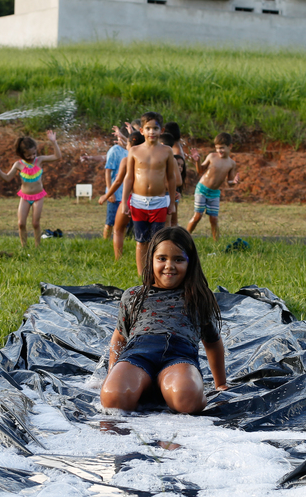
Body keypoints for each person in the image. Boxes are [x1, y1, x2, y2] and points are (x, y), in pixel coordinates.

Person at [100, 226, 228, 414]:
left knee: (187, 400)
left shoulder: (199, 298)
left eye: (178, 259)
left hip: (179, 357)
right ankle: (145, 386)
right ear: (150, 259)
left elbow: (213, 342)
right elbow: (119, 337)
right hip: (138, 355)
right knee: (112, 397)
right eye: (162, 258)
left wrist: (221, 384)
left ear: (190, 263)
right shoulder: (133, 296)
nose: (169, 265)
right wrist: (112, 373)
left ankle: (162, 388)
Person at [121, 112, 180, 273]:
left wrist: (172, 204)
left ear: (162, 130)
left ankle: (155, 273)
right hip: (138, 202)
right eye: (148, 128)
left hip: (159, 202)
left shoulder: (167, 151)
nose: (151, 132)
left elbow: (171, 178)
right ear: (141, 130)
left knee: (158, 241)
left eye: (155, 128)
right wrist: (124, 202)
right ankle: (142, 276)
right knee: (141, 241)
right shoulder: (134, 151)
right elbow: (129, 177)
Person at [0, 130, 62, 248]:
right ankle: (24, 247)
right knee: (21, 223)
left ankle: (37, 247)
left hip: (38, 197)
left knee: (35, 223)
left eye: (34, 153)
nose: (32, 157)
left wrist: (54, 142)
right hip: (25, 197)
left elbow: (57, 156)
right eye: (28, 155)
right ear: (21, 154)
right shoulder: (18, 164)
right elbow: (7, 178)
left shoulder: (39, 160)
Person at [186, 132, 240, 241]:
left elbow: (230, 182)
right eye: (217, 148)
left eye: (222, 148)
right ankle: (184, 238)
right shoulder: (211, 156)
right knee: (197, 216)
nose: (219, 150)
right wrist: (198, 161)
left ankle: (216, 243)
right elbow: (200, 170)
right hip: (202, 189)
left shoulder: (231, 164)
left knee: (214, 219)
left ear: (230, 146)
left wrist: (234, 182)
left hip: (214, 193)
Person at [161, 122, 188, 227]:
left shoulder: (174, 151)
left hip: (172, 187)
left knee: (171, 219)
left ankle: (174, 235)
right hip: (172, 186)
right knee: (171, 218)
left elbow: (177, 173)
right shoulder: (177, 147)